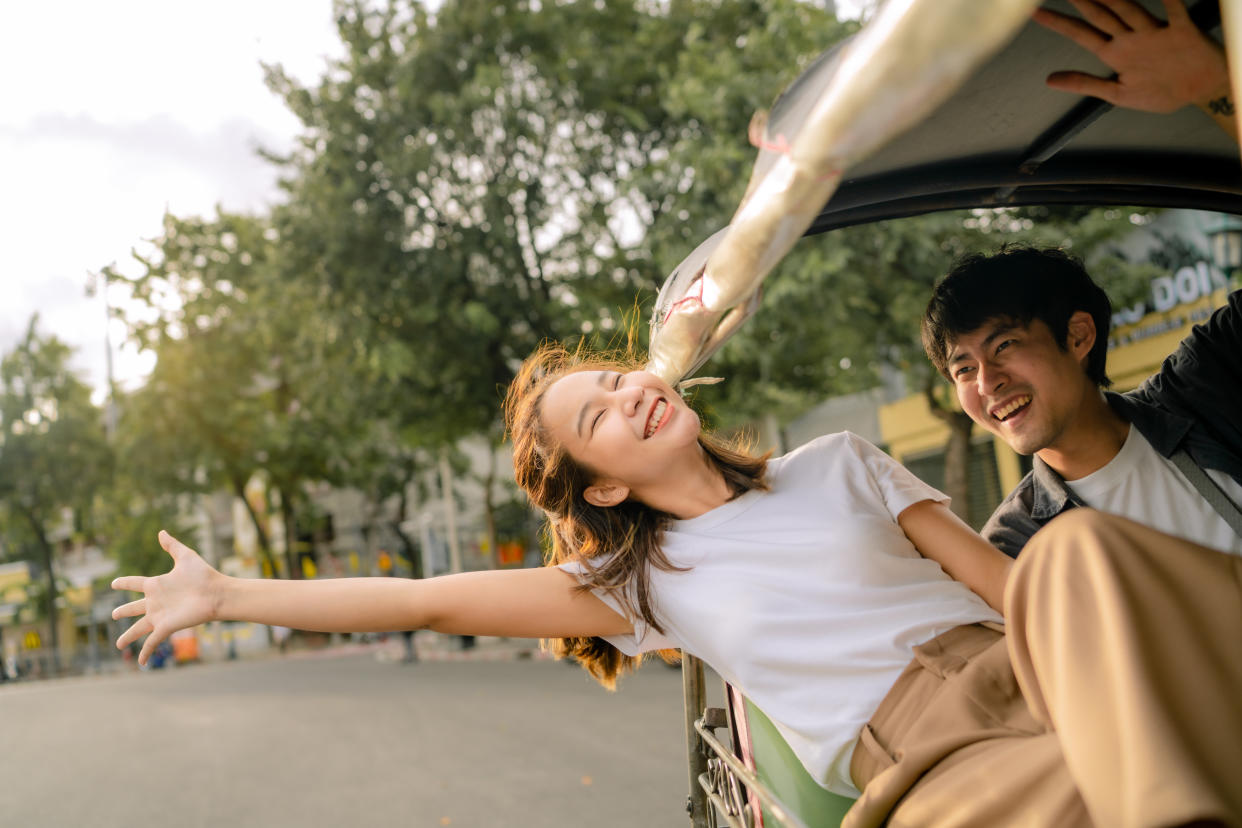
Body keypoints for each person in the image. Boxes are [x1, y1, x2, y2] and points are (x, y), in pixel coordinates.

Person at [114, 343, 1242, 826]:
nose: (630, 396)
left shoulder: (839, 461)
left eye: (619, 378)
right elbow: (421, 599)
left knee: (1074, 556)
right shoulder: (637, 584)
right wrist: (228, 595)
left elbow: (1010, 586)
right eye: (599, 416)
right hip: (934, 752)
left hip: (1045, 659)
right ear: (599, 488)